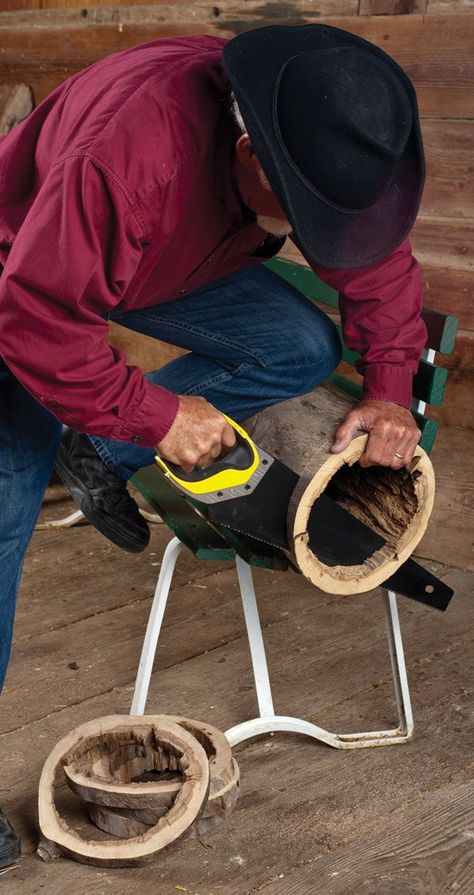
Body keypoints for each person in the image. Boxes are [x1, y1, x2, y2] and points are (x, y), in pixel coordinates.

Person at [0, 24, 426, 864]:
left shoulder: (317, 114)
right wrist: (158, 413)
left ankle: (97, 454)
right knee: (2, 514)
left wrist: (387, 384)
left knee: (298, 346)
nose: (321, 236)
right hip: (23, 274)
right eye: (307, 217)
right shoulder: (130, 158)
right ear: (249, 152)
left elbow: (375, 262)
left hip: (168, 257)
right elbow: (38, 318)